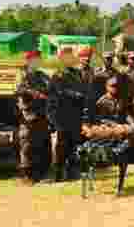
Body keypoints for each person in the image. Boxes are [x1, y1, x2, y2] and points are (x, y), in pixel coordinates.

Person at [47, 47, 87, 181]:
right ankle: (58, 173)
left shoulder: (77, 73)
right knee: (62, 145)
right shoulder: (58, 74)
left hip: (75, 114)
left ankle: (71, 172)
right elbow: (60, 92)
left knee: (74, 144)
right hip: (62, 115)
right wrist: (77, 95)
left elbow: (83, 88)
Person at [15, 51, 51, 184]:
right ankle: (26, 174)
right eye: (36, 60)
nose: (38, 62)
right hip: (28, 113)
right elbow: (19, 89)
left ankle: (42, 172)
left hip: (42, 112)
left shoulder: (42, 75)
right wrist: (34, 93)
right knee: (27, 143)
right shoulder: (22, 74)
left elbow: (50, 86)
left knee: (43, 142)